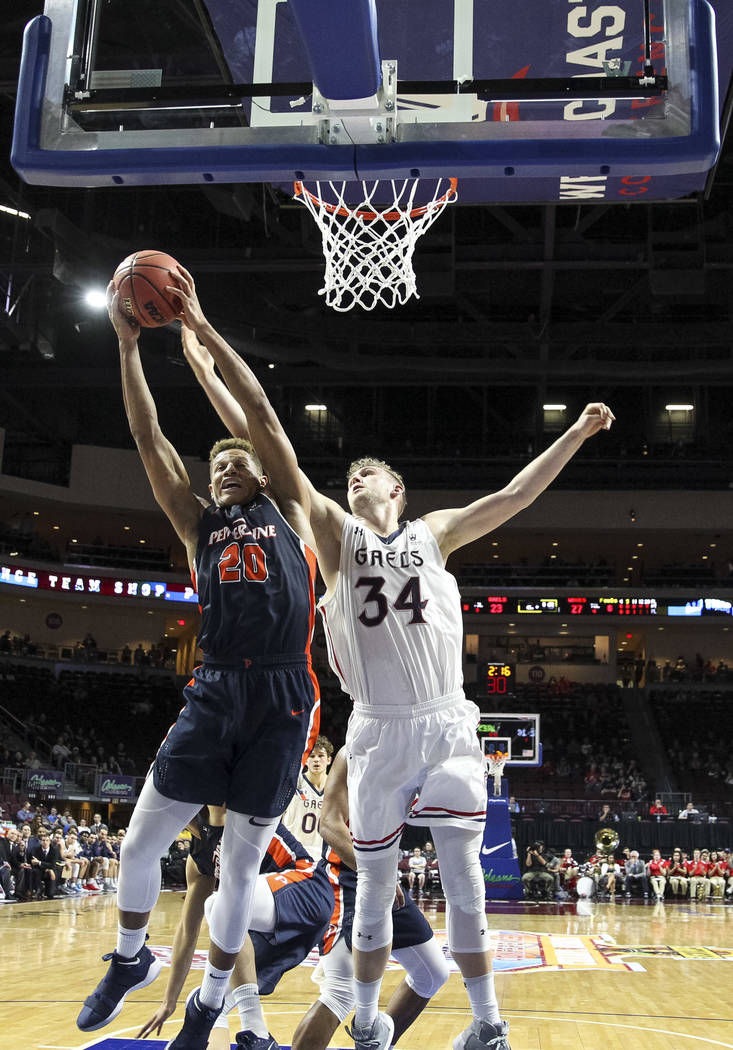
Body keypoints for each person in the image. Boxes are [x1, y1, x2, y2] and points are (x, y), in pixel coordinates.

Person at [173, 264, 614, 1050]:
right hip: (375, 726)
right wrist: (206, 367)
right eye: (349, 475)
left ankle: (487, 1024)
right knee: (373, 884)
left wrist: (575, 435)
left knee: (464, 878)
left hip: (443, 721)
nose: (353, 478)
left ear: (397, 490)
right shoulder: (333, 533)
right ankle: (370, 1021)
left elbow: (514, 496)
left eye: (366, 473)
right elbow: (269, 443)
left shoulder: (434, 532)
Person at [77, 283, 321, 1050]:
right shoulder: (196, 526)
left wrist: (204, 331)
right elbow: (148, 436)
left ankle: (213, 1006)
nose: (225, 469)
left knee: (238, 874)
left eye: (237, 462)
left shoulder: (291, 510)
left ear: (264, 474)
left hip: (282, 687)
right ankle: (128, 959)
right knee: (137, 846)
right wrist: (127, 346)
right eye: (216, 466)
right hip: (215, 686)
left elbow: (261, 413)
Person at [291, 747, 449, 1050]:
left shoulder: (415, 752)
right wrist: (376, 873)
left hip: (384, 877)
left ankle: (374, 1045)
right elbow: (329, 824)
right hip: (348, 875)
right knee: (340, 991)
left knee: (432, 973)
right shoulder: (353, 752)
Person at [137, 808, 333, 1049]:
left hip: (307, 888)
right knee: (210, 1000)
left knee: (220, 906)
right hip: (271, 920)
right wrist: (169, 1000)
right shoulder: (198, 859)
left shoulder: (230, 813)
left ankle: (256, 1029)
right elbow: (187, 931)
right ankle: (251, 1033)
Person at [281, 735, 334, 858]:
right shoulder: (293, 783)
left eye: (321, 756)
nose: (316, 760)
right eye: (312, 756)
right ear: (305, 760)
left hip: (322, 857)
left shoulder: (336, 789)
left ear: (329, 760)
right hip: (293, 853)